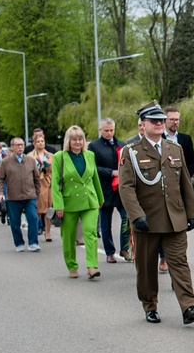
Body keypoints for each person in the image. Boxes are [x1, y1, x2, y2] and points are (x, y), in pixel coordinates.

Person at [118, 101, 194, 325]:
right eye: (154, 121)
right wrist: (136, 215)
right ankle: (150, 305)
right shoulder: (131, 152)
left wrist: (191, 213)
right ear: (142, 124)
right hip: (147, 220)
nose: (159, 124)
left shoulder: (175, 149)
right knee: (146, 267)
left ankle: (189, 306)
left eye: (162, 120)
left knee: (180, 263)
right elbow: (126, 187)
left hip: (175, 218)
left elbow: (185, 184)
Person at [50, 126, 104, 279]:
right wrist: (58, 204)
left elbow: (95, 178)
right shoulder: (59, 157)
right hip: (69, 202)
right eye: (74, 139)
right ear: (68, 141)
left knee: (90, 232)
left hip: (89, 199)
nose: (78, 142)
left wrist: (100, 198)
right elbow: (55, 183)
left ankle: (92, 266)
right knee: (68, 236)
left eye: (80, 139)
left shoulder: (89, 155)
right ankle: (72, 265)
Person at [89, 118, 131, 263]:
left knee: (127, 218)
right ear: (100, 130)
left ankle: (125, 248)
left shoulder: (122, 145)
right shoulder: (94, 147)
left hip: (120, 190)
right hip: (104, 189)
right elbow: (93, 168)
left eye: (111, 130)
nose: (109, 133)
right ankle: (109, 252)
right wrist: (111, 172)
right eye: (106, 130)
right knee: (105, 223)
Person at [0, 137, 41, 252]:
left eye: (22, 145)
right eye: (18, 145)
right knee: (15, 222)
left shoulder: (31, 160)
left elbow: (37, 179)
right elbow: (0, 179)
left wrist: (37, 194)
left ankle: (33, 243)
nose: (20, 147)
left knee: (33, 218)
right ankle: (19, 243)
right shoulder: (6, 162)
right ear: (12, 147)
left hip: (30, 196)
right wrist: (0, 193)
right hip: (13, 197)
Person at [27, 132, 53, 242]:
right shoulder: (29, 156)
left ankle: (48, 233)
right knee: (36, 210)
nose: (40, 143)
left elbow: (54, 169)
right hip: (36, 184)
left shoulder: (50, 155)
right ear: (34, 143)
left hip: (49, 183)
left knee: (49, 209)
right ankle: (34, 231)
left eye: (42, 141)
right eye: (38, 141)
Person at [163, 107, 194, 179]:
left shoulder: (186, 139)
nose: (175, 122)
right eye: (172, 119)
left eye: (177, 120)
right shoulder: (159, 138)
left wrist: (185, 177)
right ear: (164, 120)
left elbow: (192, 161)